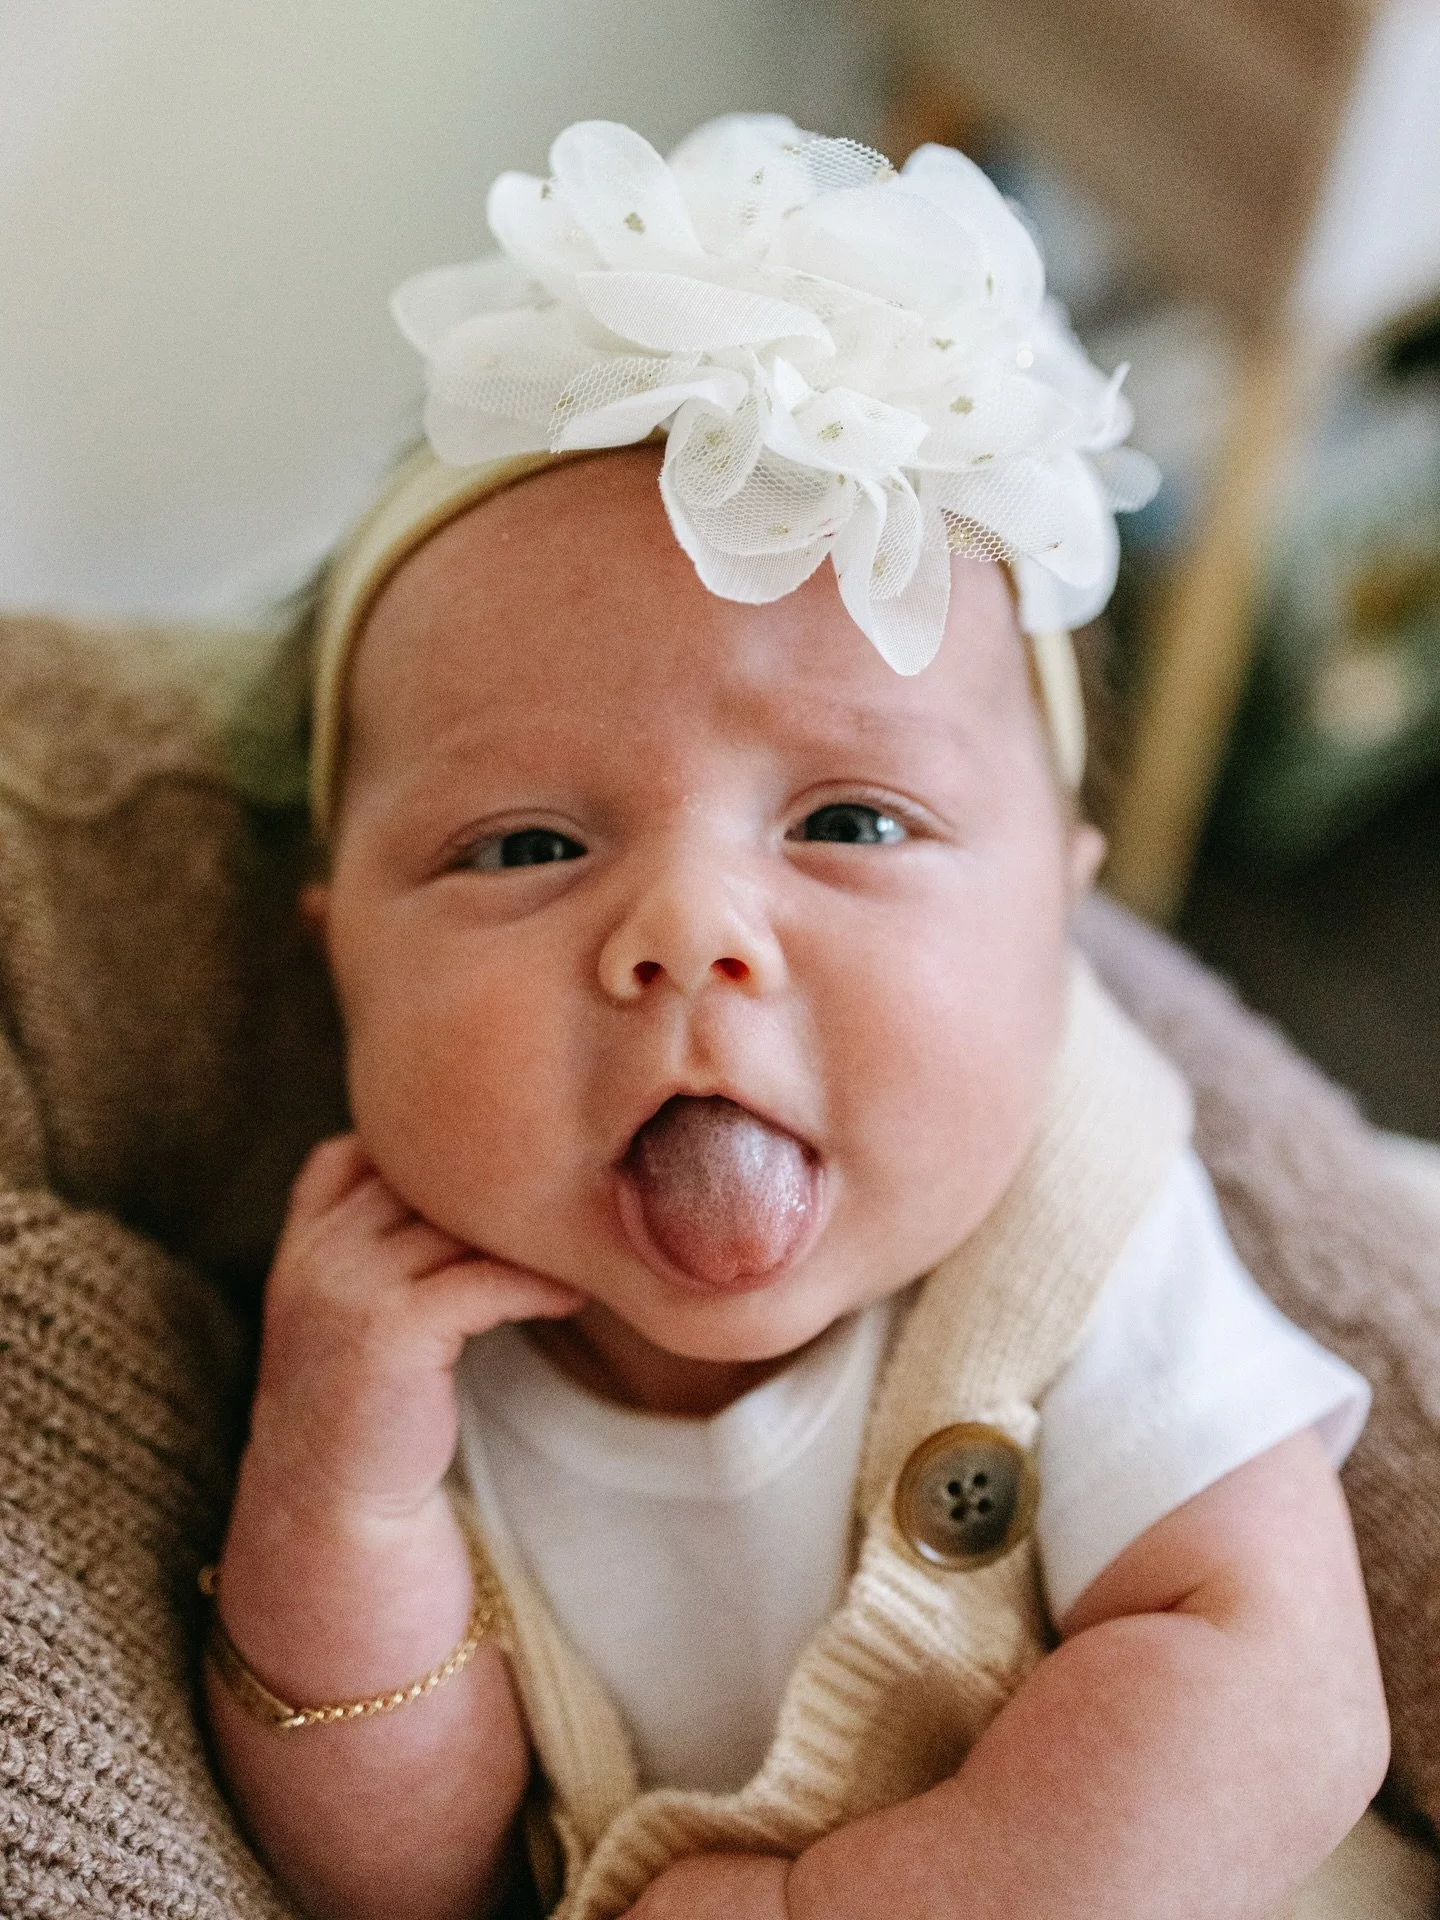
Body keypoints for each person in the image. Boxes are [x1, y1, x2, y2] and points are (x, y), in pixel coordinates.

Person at [200, 117, 1389, 1920]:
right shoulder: (401, 1354)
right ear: (338, 953)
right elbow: (408, 1877)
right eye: (523, 844)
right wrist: (330, 1504)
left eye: (848, 822)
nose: (688, 935)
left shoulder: (1076, 1230)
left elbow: (1275, 1689)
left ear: (1060, 917)